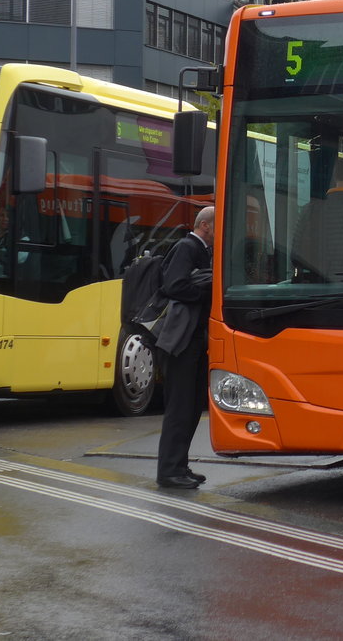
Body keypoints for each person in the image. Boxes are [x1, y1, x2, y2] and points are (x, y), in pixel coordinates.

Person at [154, 206, 213, 490]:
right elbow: (174, 286)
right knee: (179, 408)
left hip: (194, 340)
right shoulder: (187, 247)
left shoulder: (199, 250)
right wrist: (205, 291)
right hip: (181, 342)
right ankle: (168, 471)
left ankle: (179, 466)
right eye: (217, 226)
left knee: (190, 408)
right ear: (205, 226)